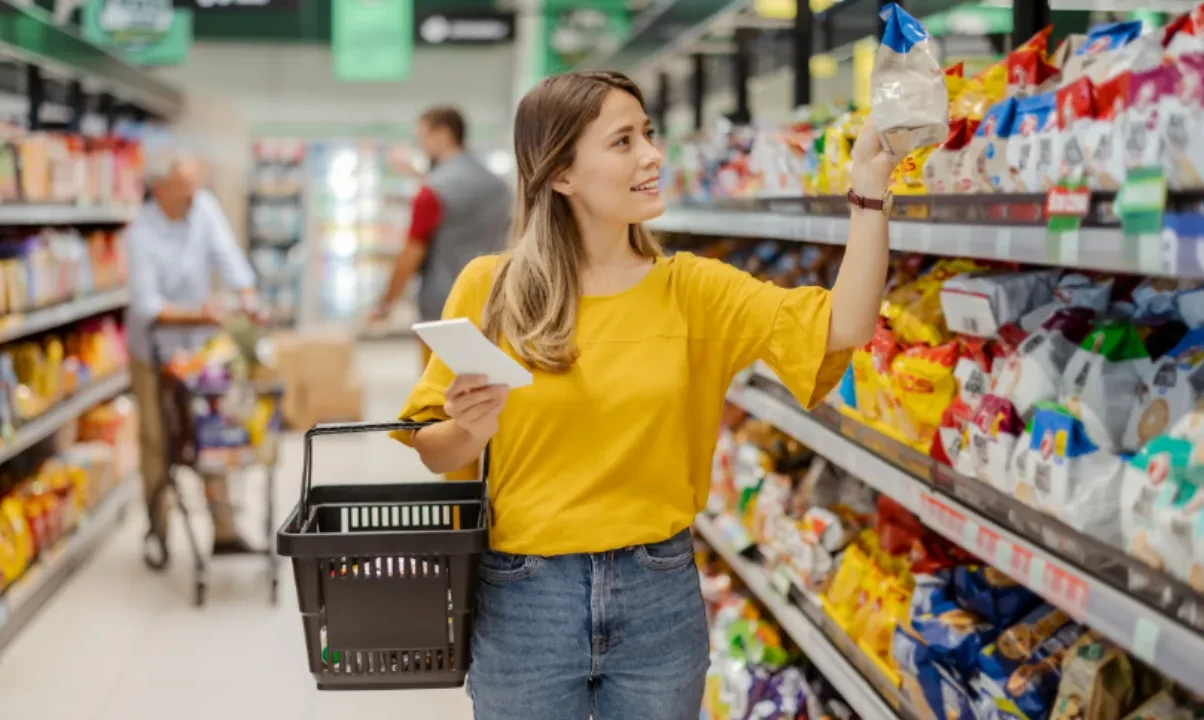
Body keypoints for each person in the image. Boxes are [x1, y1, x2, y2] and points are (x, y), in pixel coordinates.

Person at [391, 71, 897, 719]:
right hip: (525, 598)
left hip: (658, 595)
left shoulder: (693, 290)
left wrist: (871, 193)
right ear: (562, 174)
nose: (653, 155)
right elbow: (433, 449)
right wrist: (469, 428)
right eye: (623, 141)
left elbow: (844, 326)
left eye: (649, 135)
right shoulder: (495, 288)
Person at [126, 151, 261, 558]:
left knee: (212, 432)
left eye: (194, 184)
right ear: (160, 189)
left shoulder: (202, 208)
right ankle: (158, 528)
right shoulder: (139, 233)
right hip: (153, 350)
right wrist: (199, 313)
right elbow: (149, 306)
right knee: (156, 438)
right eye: (184, 186)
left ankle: (224, 529)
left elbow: (228, 256)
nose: (193, 193)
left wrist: (248, 295)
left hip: (200, 351)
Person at [370, 106, 512, 366]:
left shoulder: (432, 191)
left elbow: (412, 252)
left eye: (422, 137)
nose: (420, 146)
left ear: (443, 134)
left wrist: (386, 302)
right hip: (494, 305)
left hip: (443, 311)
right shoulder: (499, 186)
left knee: (440, 393)